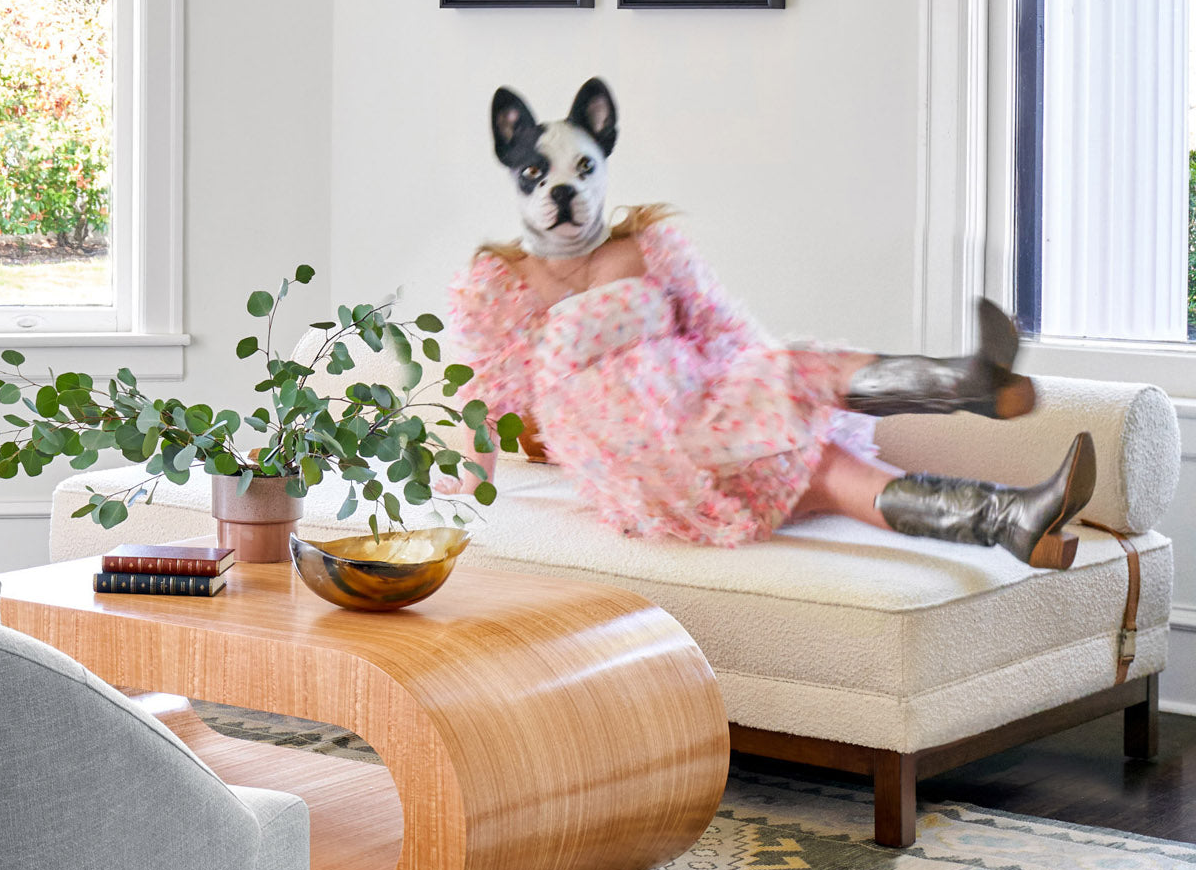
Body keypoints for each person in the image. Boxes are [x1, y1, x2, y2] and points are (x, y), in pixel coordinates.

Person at [436, 77, 1095, 570]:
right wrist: (465, 489)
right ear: (515, 175)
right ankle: (982, 423)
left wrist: (776, 399)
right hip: (646, 465)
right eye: (537, 175)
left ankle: (1003, 491)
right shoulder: (503, 284)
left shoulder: (647, 247)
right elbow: (482, 399)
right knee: (818, 453)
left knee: (818, 437)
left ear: (605, 164)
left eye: (582, 170)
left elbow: (726, 330)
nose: (563, 189)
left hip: (709, 408)